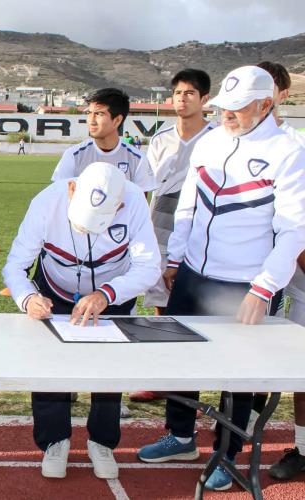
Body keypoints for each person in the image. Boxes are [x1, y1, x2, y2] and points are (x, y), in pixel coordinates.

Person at [137, 65, 305, 491]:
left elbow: (293, 230)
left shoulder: (289, 151)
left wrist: (263, 287)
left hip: (244, 284)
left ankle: (227, 455)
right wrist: (175, 259)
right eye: (223, 107)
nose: (226, 115)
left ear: (266, 104)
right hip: (193, 272)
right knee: (175, 357)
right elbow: (189, 205)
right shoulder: (211, 141)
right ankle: (180, 436)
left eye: (237, 108)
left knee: (239, 377)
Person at [2, 161, 161, 481]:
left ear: (120, 204)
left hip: (111, 295)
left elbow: (148, 267)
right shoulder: (46, 203)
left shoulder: (134, 202)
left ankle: (102, 442)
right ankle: (54, 440)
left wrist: (107, 294)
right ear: (72, 189)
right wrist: (28, 298)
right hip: (54, 289)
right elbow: (15, 266)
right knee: (49, 367)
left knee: (108, 371)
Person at [131, 69, 213, 403]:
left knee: (200, 307)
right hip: (159, 224)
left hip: (200, 229)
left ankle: (195, 376)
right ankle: (163, 377)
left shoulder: (217, 138)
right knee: (160, 304)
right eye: (178, 93)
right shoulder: (161, 138)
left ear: (204, 99)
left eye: (190, 93)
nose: (182, 99)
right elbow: (145, 190)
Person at [256, 61, 305, 481]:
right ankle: (304, 449)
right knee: (303, 370)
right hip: (303, 275)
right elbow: (293, 223)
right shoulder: (294, 148)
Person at [51, 88, 156, 193]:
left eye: (99, 114)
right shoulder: (73, 155)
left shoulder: (138, 159)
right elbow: (58, 196)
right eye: (89, 112)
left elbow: (140, 203)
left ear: (117, 120)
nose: (91, 120)